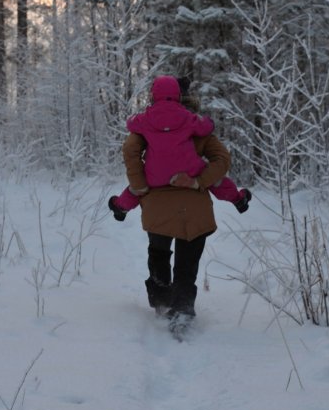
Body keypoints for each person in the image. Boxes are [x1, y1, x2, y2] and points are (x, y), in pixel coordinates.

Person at [119, 76, 240, 321]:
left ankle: (161, 299)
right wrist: (199, 181)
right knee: (187, 262)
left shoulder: (144, 128)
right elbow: (222, 160)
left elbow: (132, 157)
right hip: (194, 203)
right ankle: (183, 307)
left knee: (159, 252)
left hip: (157, 203)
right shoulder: (198, 127)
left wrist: (133, 193)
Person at [108, 75, 251, 221]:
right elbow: (205, 127)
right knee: (216, 180)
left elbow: (131, 124)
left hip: (156, 174)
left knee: (137, 186)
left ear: (153, 95)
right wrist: (209, 122)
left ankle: (120, 207)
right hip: (189, 171)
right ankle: (238, 199)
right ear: (179, 95)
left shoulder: (145, 119)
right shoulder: (188, 117)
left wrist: (133, 119)